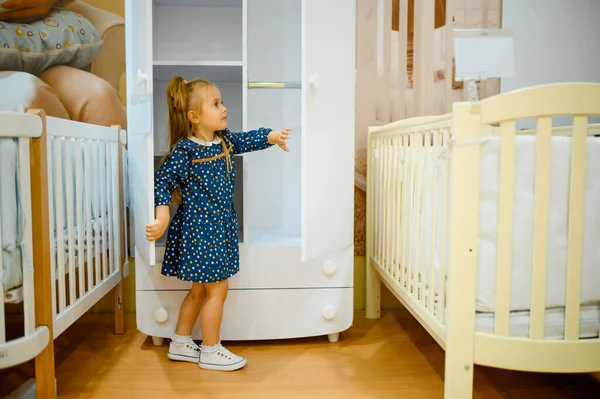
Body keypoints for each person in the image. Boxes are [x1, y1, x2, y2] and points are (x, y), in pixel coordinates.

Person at [145, 75, 291, 371]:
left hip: (217, 229)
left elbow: (247, 139)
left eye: (222, 102)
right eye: (216, 103)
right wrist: (162, 216)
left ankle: (181, 341)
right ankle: (210, 349)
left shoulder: (222, 141)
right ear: (194, 116)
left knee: (200, 289)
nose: (224, 108)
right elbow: (162, 182)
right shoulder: (186, 150)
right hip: (201, 231)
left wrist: (271, 137)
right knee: (218, 289)